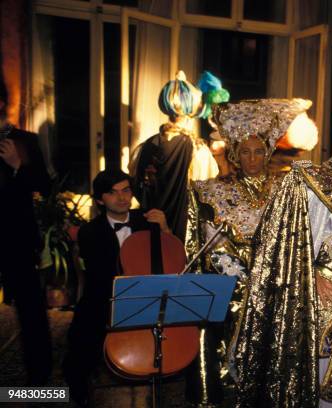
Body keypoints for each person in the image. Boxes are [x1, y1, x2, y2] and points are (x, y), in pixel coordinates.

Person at [235, 1, 332, 406]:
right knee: (318, 385)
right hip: (318, 303)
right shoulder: (310, 183)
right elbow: (279, 250)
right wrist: (310, 278)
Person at [185, 98, 315, 406]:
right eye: (245, 151)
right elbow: (200, 248)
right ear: (234, 153)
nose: (253, 158)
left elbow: (300, 241)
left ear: (268, 152)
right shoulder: (209, 193)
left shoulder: (286, 190)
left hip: (275, 293)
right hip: (230, 295)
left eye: (259, 151)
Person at [63, 169, 170, 406]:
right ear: (100, 200)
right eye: (112, 193)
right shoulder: (90, 231)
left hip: (146, 297)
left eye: (126, 190)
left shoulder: (149, 221)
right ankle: (80, 394)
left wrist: (164, 229)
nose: (122, 198)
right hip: (104, 297)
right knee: (80, 341)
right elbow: (102, 276)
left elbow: (171, 259)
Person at [131, 70, 229, 241]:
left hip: (147, 230)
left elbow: (136, 184)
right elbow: (208, 193)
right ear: (192, 108)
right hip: (183, 230)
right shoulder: (197, 149)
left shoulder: (144, 147)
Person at [0, 88, 53, 386]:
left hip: (16, 239)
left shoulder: (25, 140)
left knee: (32, 315)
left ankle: (40, 386)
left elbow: (44, 186)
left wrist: (18, 166)